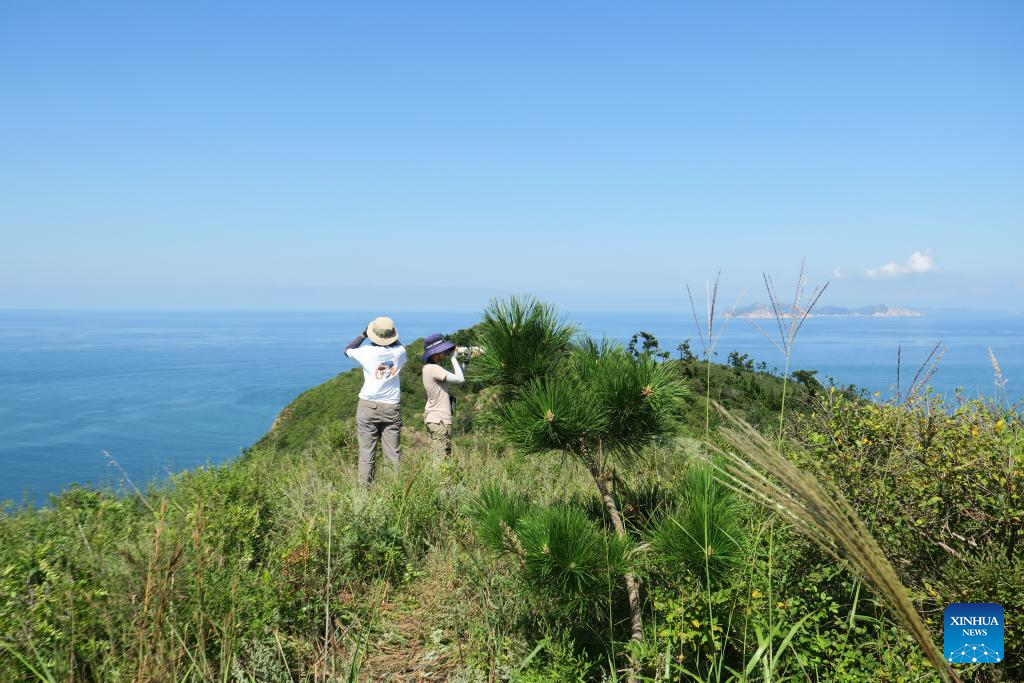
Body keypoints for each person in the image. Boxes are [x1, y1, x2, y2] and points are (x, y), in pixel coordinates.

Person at [345, 316, 407, 486]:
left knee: (366, 454)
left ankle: (365, 494)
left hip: (368, 406)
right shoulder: (400, 352)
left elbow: (348, 349)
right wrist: (391, 336)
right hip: (391, 406)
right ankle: (394, 494)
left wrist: (363, 335)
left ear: (373, 334)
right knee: (393, 455)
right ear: (392, 335)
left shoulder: (365, 352)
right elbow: (398, 344)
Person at [421, 333, 465, 459]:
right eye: (442, 350)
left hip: (435, 419)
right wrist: (453, 358)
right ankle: (438, 479)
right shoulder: (434, 369)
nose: (444, 352)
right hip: (439, 420)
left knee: (439, 457)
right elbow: (460, 380)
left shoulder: (430, 368)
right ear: (435, 353)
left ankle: (434, 479)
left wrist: (464, 364)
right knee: (441, 459)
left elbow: (458, 378)